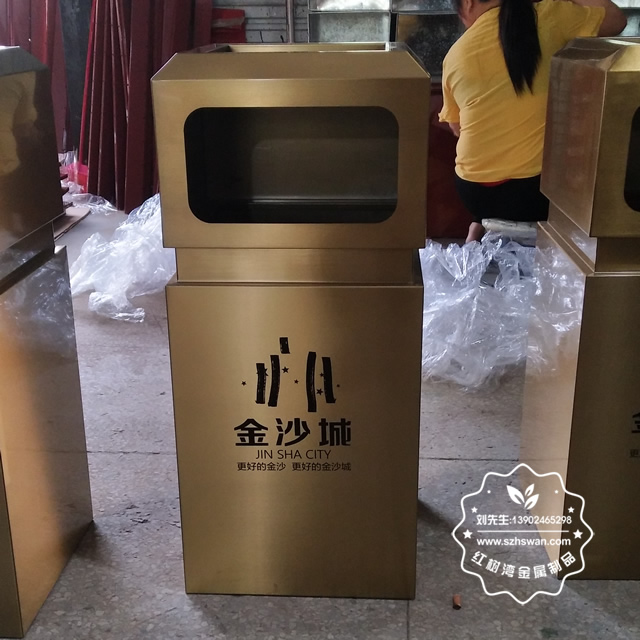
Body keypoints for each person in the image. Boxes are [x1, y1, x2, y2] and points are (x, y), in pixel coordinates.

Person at [439, 0, 627, 243]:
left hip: (474, 192)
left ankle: (479, 225)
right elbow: (616, 20)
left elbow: (457, 128)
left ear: (468, 3)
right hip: (535, 194)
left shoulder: (455, 53)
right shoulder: (550, 16)